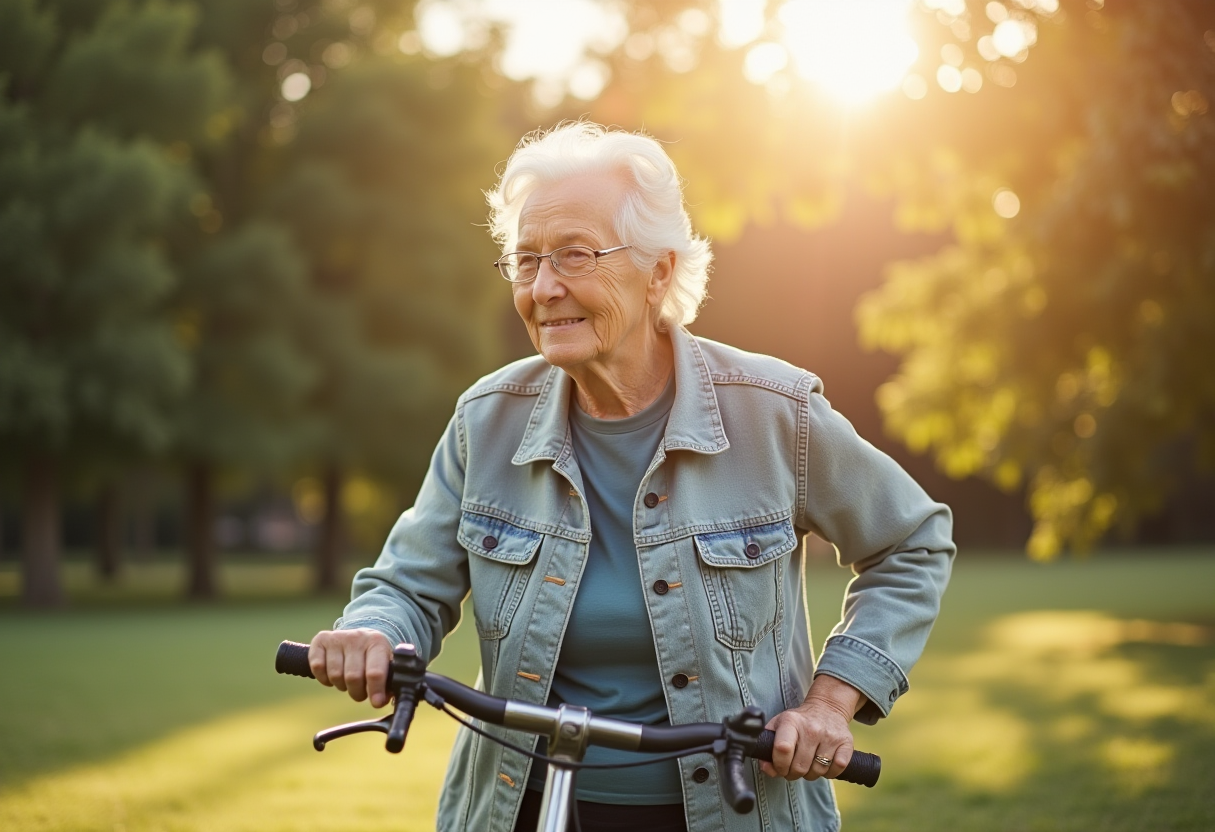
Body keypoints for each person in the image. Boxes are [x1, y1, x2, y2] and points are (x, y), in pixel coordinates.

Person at [307, 122, 955, 832]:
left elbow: (912, 542)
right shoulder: (485, 421)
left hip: (736, 813)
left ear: (660, 272)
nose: (544, 287)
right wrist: (369, 630)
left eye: (575, 255)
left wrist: (831, 703)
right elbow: (408, 584)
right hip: (515, 808)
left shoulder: (775, 413)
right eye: (526, 261)